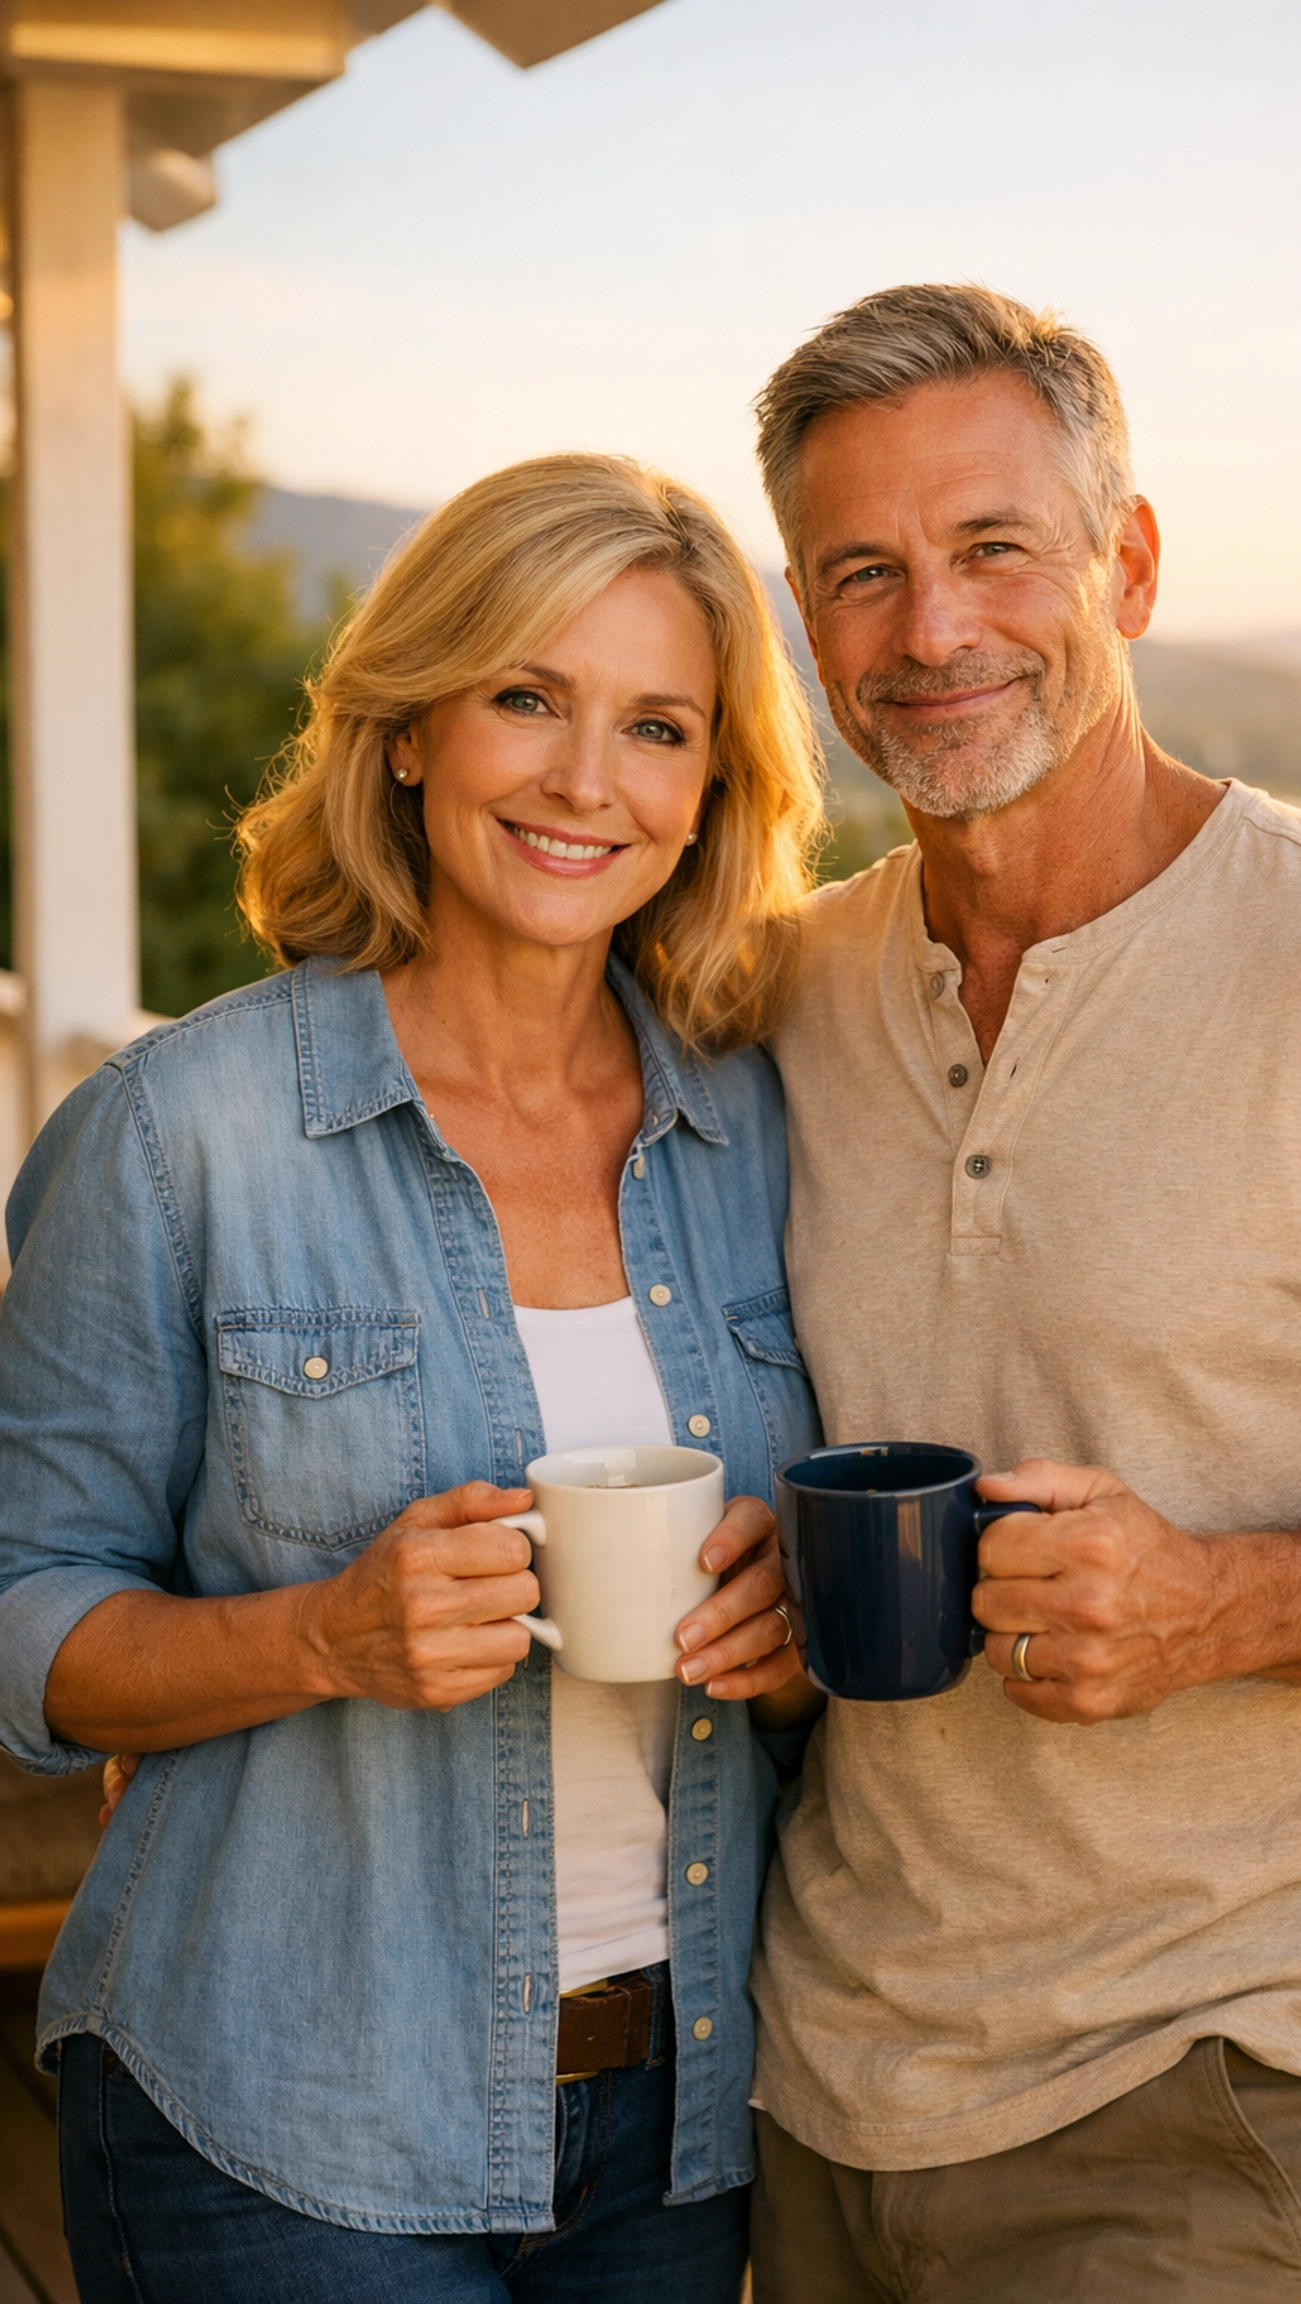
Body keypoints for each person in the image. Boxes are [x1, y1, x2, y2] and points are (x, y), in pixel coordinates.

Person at [745, 282, 1301, 2303]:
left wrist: (1221, 1606)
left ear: (1134, 563)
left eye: (995, 549)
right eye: (863, 574)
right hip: (820, 2069)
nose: (932, 632)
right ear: (809, 626)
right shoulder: (800, 991)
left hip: (1210, 2082)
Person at [0, 452, 825, 2303]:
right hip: (278, 2123)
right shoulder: (176, 1134)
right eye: (527, 696)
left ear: (709, 794)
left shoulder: (758, 1136)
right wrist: (322, 1639)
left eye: (657, 727)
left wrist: (785, 1653)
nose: (583, 780)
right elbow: (18, 1617)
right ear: (408, 731)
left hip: (679, 2134)